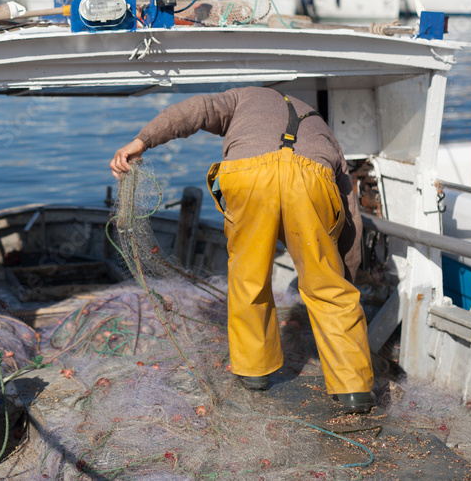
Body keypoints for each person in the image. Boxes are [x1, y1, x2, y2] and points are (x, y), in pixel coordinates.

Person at [109, 86, 375, 414]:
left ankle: (254, 373)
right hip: (312, 178)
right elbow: (349, 211)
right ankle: (354, 390)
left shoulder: (241, 97)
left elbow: (196, 109)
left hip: (248, 176)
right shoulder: (322, 125)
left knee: (248, 277)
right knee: (328, 287)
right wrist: (345, 274)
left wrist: (142, 141)